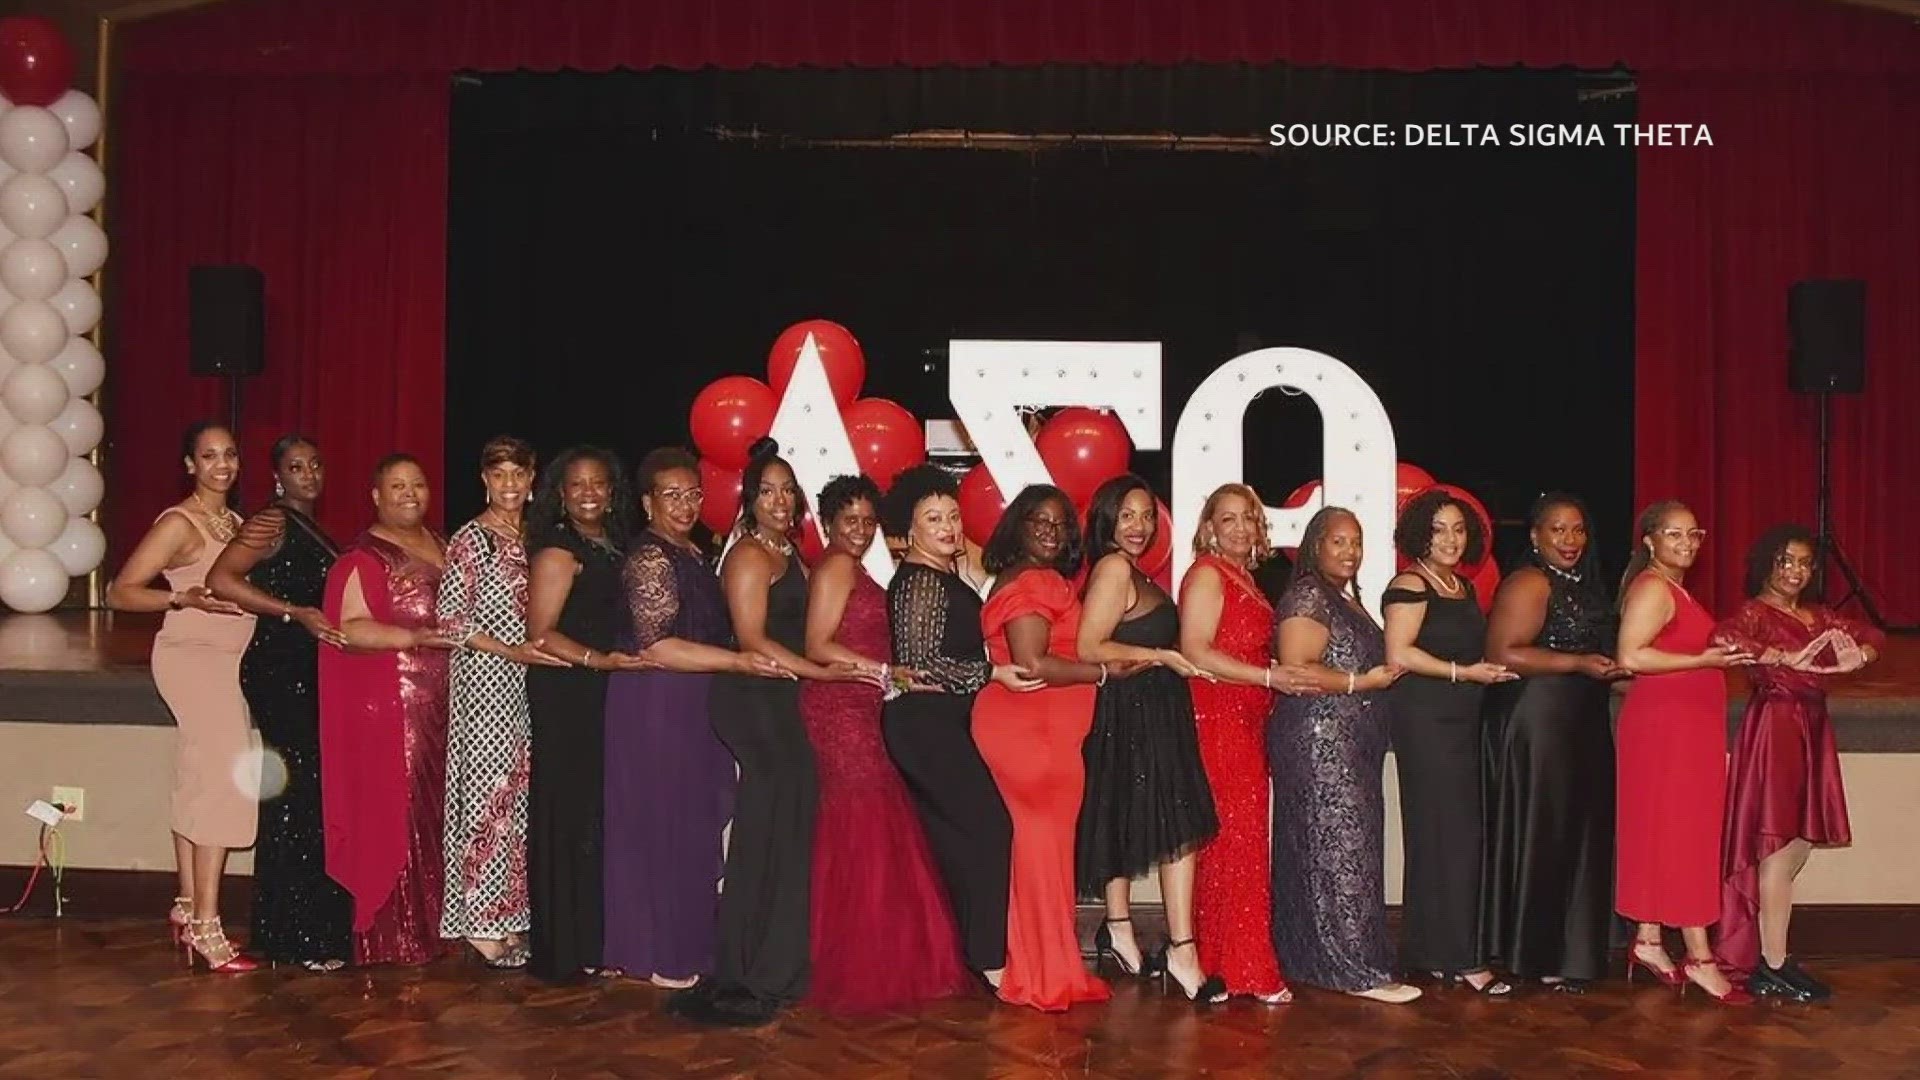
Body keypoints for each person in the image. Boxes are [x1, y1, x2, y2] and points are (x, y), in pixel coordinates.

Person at [670, 438, 858, 1026]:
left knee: (780, 825)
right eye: (767, 491)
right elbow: (751, 638)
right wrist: (820, 673)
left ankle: (769, 961)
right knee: (771, 825)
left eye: (786, 490)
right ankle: (754, 968)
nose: (779, 499)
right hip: (752, 698)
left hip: (778, 697)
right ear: (748, 500)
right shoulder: (751, 554)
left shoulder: (791, 552)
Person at [799, 474, 972, 1014]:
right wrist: (885, 671)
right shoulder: (834, 565)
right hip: (838, 708)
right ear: (827, 524)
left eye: (868, 521)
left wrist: (889, 679)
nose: (859, 529)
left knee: (876, 825)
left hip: (865, 703)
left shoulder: (860, 568)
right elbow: (818, 645)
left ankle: (882, 952)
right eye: (849, 520)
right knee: (863, 826)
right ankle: (859, 958)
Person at [603, 448, 770, 988]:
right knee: (663, 825)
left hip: (691, 698)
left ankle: (688, 943)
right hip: (657, 701)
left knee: (691, 824)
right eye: (670, 495)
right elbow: (658, 646)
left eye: (692, 494)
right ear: (648, 501)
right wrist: (739, 661)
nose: (684, 504)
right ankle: (662, 950)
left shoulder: (693, 551)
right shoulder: (650, 557)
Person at [107, 420, 260, 972]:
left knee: (199, 777)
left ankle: (187, 905)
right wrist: (181, 598)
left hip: (227, 664)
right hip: (193, 661)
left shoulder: (238, 523)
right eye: (209, 455)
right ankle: (207, 928)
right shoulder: (180, 522)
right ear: (190, 464)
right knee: (222, 784)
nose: (222, 464)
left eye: (230, 454)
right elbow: (120, 591)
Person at [880, 464, 1035, 991]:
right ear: (909, 531)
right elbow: (917, 665)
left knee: (956, 838)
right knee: (991, 827)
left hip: (940, 722)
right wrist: (993, 672)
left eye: (951, 515)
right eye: (932, 518)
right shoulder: (920, 581)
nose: (947, 526)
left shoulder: (944, 573)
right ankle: (990, 959)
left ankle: (971, 952)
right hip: (924, 725)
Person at [1712, 525, 1882, 1001]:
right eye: (1786, 561)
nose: (1795, 571)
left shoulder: (1817, 615)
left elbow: (1872, 634)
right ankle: (1772, 962)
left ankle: (1775, 955)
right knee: (1778, 845)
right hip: (1777, 727)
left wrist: (1858, 657)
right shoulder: (1755, 613)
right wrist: (1778, 654)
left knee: (1798, 846)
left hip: (1810, 727)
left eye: (1805, 563)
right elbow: (1723, 636)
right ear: (1766, 563)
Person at [1073, 475, 1224, 1004]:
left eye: (1146, 515)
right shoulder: (1115, 568)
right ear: (1108, 520)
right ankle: (1182, 949)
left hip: (1148, 707)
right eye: (1128, 514)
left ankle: (1119, 929)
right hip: (1136, 707)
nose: (1138, 525)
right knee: (1176, 822)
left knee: (1128, 818)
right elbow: (1089, 646)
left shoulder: (1133, 571)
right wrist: (1160, 657)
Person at [206, 433, 352, 971]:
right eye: (296, 466)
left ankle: (296, 927)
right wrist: (292, 611)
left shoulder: (310, 526)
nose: (309, 474)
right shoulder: (272, 521)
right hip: (278, 665)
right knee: (296, 795)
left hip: (307, 667)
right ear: (277, 476)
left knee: (303, 795)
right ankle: (296, 936)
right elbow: (220, 579)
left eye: (315, 464)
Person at [976, 484, 1123, 1012]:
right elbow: (1032, 663)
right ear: (1017, 524)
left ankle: (1046, 966)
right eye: (1039, 520)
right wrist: (1104, 672)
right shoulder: (1031, 581)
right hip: (1028, 732)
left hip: (1045, 735)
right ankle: (1039, 976)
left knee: (1044, 853)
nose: (1051, 531)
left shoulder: (1043, 579)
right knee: (1041, 851)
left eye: (1061, 524)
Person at [1268, 506, 1418, 1003]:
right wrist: (1361, 682)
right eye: (1338, 541)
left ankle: (1321, 960)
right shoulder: (1310, 594)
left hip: (1351, 741)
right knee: (1338, 848)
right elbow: (1295, 668)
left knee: (1338, 848)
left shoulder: (1342, 598)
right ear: (1315, 545)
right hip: (1320, 739)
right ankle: (1354, 969)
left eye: (1355, 542)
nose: (1349, 551)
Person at [1480, 493, 1623, 993]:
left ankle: (1571, 953)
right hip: (1538, 721)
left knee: (1577, 835)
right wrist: (1579, 663)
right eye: (1558, 530)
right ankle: (1534, 952)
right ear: (1536, 536)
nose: (1569, 540)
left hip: (1578, 719)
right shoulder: (1529, 581)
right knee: (1544, 833)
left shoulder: (1582, 583)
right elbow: (1504, 653)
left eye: (1578, 530)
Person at [1614, 500, 1754, 1004]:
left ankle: (1649, 939)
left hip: (1680, 729)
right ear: (1649, 540)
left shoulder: (1670, 588)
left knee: (1665, 832)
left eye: (1694, 535)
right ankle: (1699, 956)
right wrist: (1704, 658)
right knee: (1685, 836)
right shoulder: (1653, 587)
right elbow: (1630, 656)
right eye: (1674, 535)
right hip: (1667, 732)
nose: (1686, 544)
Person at [319, 454, 455, 966]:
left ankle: (440, 927)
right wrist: (412, 636)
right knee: (402, 815)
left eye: (418, 484)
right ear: (375, 495)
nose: (409, 494)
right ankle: (396, 935)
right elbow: (349, 628)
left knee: (441, 813)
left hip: (447, 702)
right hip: (398, 708)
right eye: (397, 486)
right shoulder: (363, 558)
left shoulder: (443, 544)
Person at [1179, 483, 1311, 1004]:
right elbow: (1195, 651)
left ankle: (1226, 962)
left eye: (1248, 519)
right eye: (1227, 519)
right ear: (1209, 528)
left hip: (1245, 718)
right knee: (1236, 842)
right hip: (1217, 718)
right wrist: (1268, 678)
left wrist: (1268, 679)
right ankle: (1243, 968)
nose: (1239, 528)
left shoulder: (1245, 578)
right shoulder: (1208, 574)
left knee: (1239, 842)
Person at [1381, 490, 1515, 994]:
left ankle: (1434, 951)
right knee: (1448, 836)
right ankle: (1460, 957)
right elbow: (1399, 653)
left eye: (1459, 529)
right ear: (1420, 533)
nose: (1451, 539)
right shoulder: (1410, 584)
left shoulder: (1459, 585)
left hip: (1461, 719)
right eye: (1439, 529)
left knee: (1452, 837)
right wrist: (1466, 672)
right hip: (1427, 720)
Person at [437, 436, 560, 968]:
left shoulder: (537, 538)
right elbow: (450, 620)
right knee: (488, 799)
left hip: (530, 681)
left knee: (520, 800)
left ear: (533, 479)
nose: (510, 484)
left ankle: (511, 916)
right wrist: (508, 649)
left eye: (519, 474)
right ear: (484, 479)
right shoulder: (472, 539)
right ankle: (481, 922)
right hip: (487, 678)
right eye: (499, 474)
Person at [523, 447, 644, 982]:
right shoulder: (557, 549)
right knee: (568, 816)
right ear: (561, 494)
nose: (589, 492)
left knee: (599, 814)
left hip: (604, 689)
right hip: (568, 691)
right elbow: (541, 633)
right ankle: (563, 949)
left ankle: (596, 938)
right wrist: (599, 661)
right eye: (577, 485)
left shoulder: (616, 547)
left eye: (599, 483)